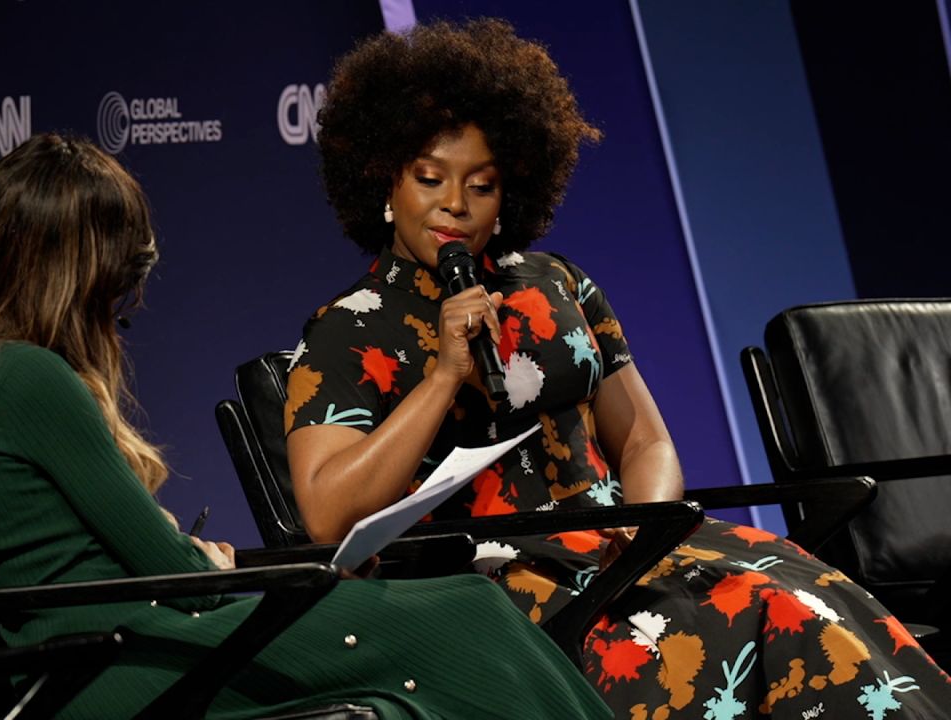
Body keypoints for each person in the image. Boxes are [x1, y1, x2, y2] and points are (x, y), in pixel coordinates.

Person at [286, 19, 951, 720]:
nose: (454, 204)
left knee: (816, 599)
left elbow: (646, 442)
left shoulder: (556, 284)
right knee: (773, 622)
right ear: (384, 181)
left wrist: (646, 531)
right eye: (430, 179)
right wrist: (444, 377)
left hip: (630, 552)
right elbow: (330, 512)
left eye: (480, 186)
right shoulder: (348, 329)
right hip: (507, 595)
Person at [0, 132, 610, 720]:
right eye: (121, 266)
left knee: (462, 608)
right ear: (72, 264)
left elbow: (150, 561)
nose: (127, 294)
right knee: (464, 616)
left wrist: (243, 564)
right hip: (110, 668)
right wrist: (206, 564)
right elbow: (176, 574)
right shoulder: (24, 377)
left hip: (132, 643)